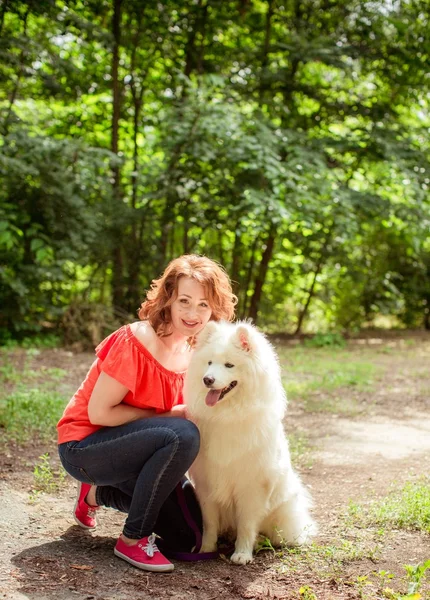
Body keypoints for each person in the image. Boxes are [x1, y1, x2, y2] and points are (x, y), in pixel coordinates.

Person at [57, 254, 237, 573]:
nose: (193, 313)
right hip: (85, 449)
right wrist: (172, 414)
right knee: (183, 433)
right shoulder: (137, 339)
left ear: (214, 311)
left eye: (203, 305)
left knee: (189, 534)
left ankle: (98, 494)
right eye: (184, 300)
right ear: (168, 298)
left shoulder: (195, 353)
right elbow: (100, 413)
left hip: (137, 451)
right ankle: (132, 539)